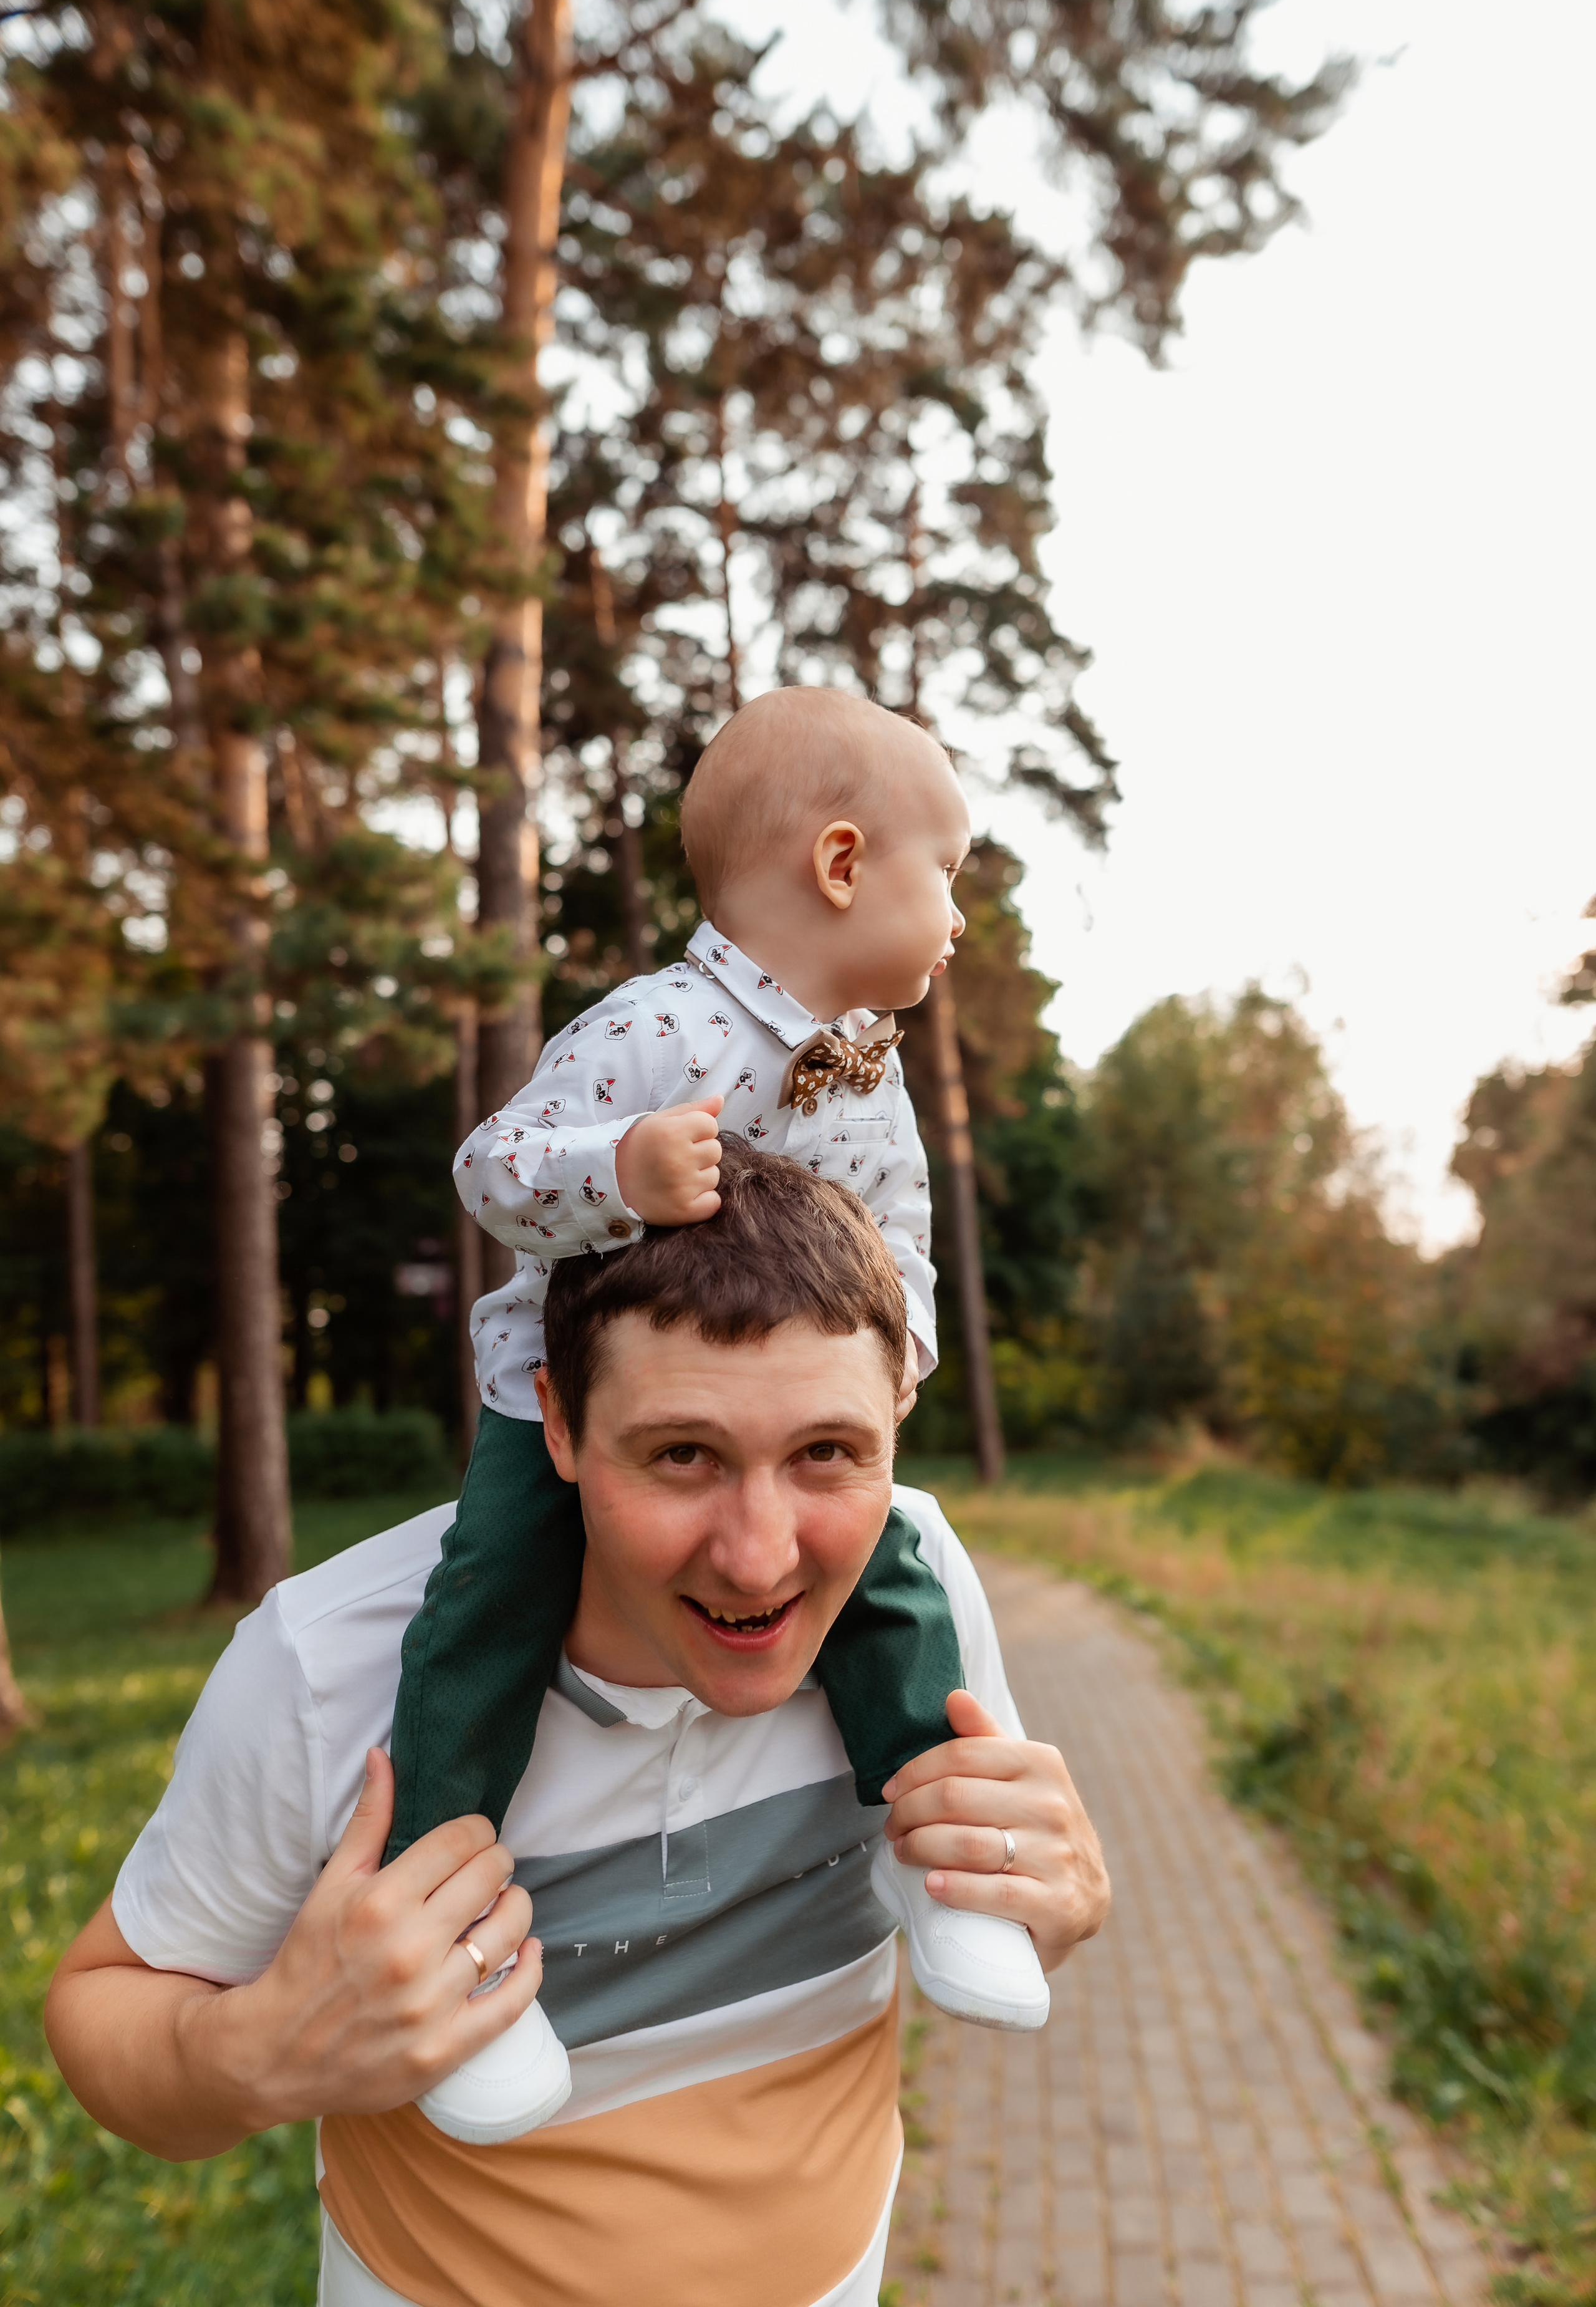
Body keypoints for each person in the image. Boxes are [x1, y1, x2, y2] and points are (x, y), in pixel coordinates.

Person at [45, 1145, 1110, 2307]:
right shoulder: (328, 1666)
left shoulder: (920, 1594)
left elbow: (988, 1897)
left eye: (827, 1454)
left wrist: (1044, 1894)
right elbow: (101, 2004)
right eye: (682, 1455)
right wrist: (258, 2052)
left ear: (898, 1409)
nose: (760, 1558)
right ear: (554, 1420)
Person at [386, 687, 1041, 2140]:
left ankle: (948, 1876)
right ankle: (448, 1954)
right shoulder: (651, 1032)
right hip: (570, 1405)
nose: (959, 916)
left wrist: (895, 1358)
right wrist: (617, 1166)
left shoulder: (867, 1074)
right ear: (842, 864)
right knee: (484, 1619)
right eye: (950, 874)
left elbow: (903, 1251)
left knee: (888, 1587)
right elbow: (493, 1172)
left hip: (779, 1433)